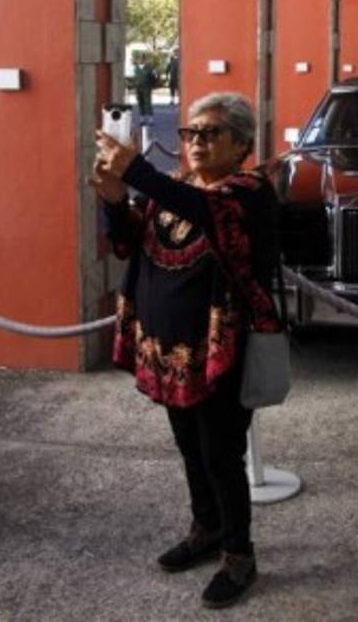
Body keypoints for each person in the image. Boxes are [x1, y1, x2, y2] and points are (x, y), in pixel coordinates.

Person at [91, 91, 280, 610]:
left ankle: (240, 555)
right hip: (169, 349)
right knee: (189, 448)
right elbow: (131, 240)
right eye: (190, 132)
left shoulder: (247, 194)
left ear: (241, 145)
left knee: (221, 452)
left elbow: (209, 214)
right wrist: (113, 199)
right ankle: (207, 529)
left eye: (210, 133)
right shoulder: (175, 189)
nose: (195, 141)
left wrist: (136, 171)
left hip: (220, 351)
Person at [133, 54, 156, 121]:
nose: (140, 60)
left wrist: (152, 85)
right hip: (138, 87)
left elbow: (153, 78)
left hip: (146, 87)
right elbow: (135, 78)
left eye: (142, 59)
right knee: (140, 102)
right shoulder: (136, 68)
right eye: (139, 59)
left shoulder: (149, 68)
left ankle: (150, 117)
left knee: (147, 102)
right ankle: (142, 117)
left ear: (144, 59)